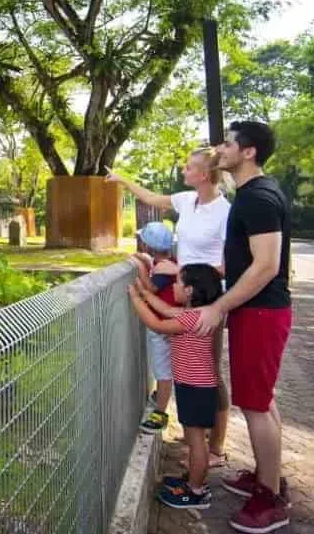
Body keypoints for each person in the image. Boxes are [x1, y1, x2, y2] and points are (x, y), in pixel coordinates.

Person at [194, 121, 292, 533]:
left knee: (255, 405)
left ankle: (269, 499)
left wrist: (220, 305)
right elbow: (249, 258)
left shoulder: (258, 198)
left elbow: (267, 265)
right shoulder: (254, 194)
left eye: (228, 143)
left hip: (260, 313)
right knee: (262, 400)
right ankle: (268, 476)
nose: (221, 149)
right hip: (257, 311)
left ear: (248, 152)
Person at [107, 149, 232, 467]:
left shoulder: (225, 212)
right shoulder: (185, 201)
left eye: (189, 167)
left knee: (209, 373)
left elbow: (227, 265)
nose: (183, 169)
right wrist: (122, 180)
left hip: (207, 300)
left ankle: (214, 447)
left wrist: (181, 273)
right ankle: (197, 435)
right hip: (181, 296)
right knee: (186, 366)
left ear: (204, 176)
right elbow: (152, 197)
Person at [128, 263, 225, 510]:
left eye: (178, 283)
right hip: (196, 386)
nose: (173, 286)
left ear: (190, 290)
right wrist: (142, 290)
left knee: (196, 442)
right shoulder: (200, 312)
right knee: (195, 440)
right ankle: (194, 481)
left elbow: (158, 324)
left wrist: (135, 299)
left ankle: (194, 492)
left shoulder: (192, 318)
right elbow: (166, 309)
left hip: (195, 387)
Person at [131, 221, 178, 434]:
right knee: (162, 367)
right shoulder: (169, 263)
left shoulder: (162, 269)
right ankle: (160, 397)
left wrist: (139, 266)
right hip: (164, 324)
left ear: (148, 247)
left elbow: (151, 287)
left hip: (162, 328)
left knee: (163, 371)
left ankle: (161, 411)